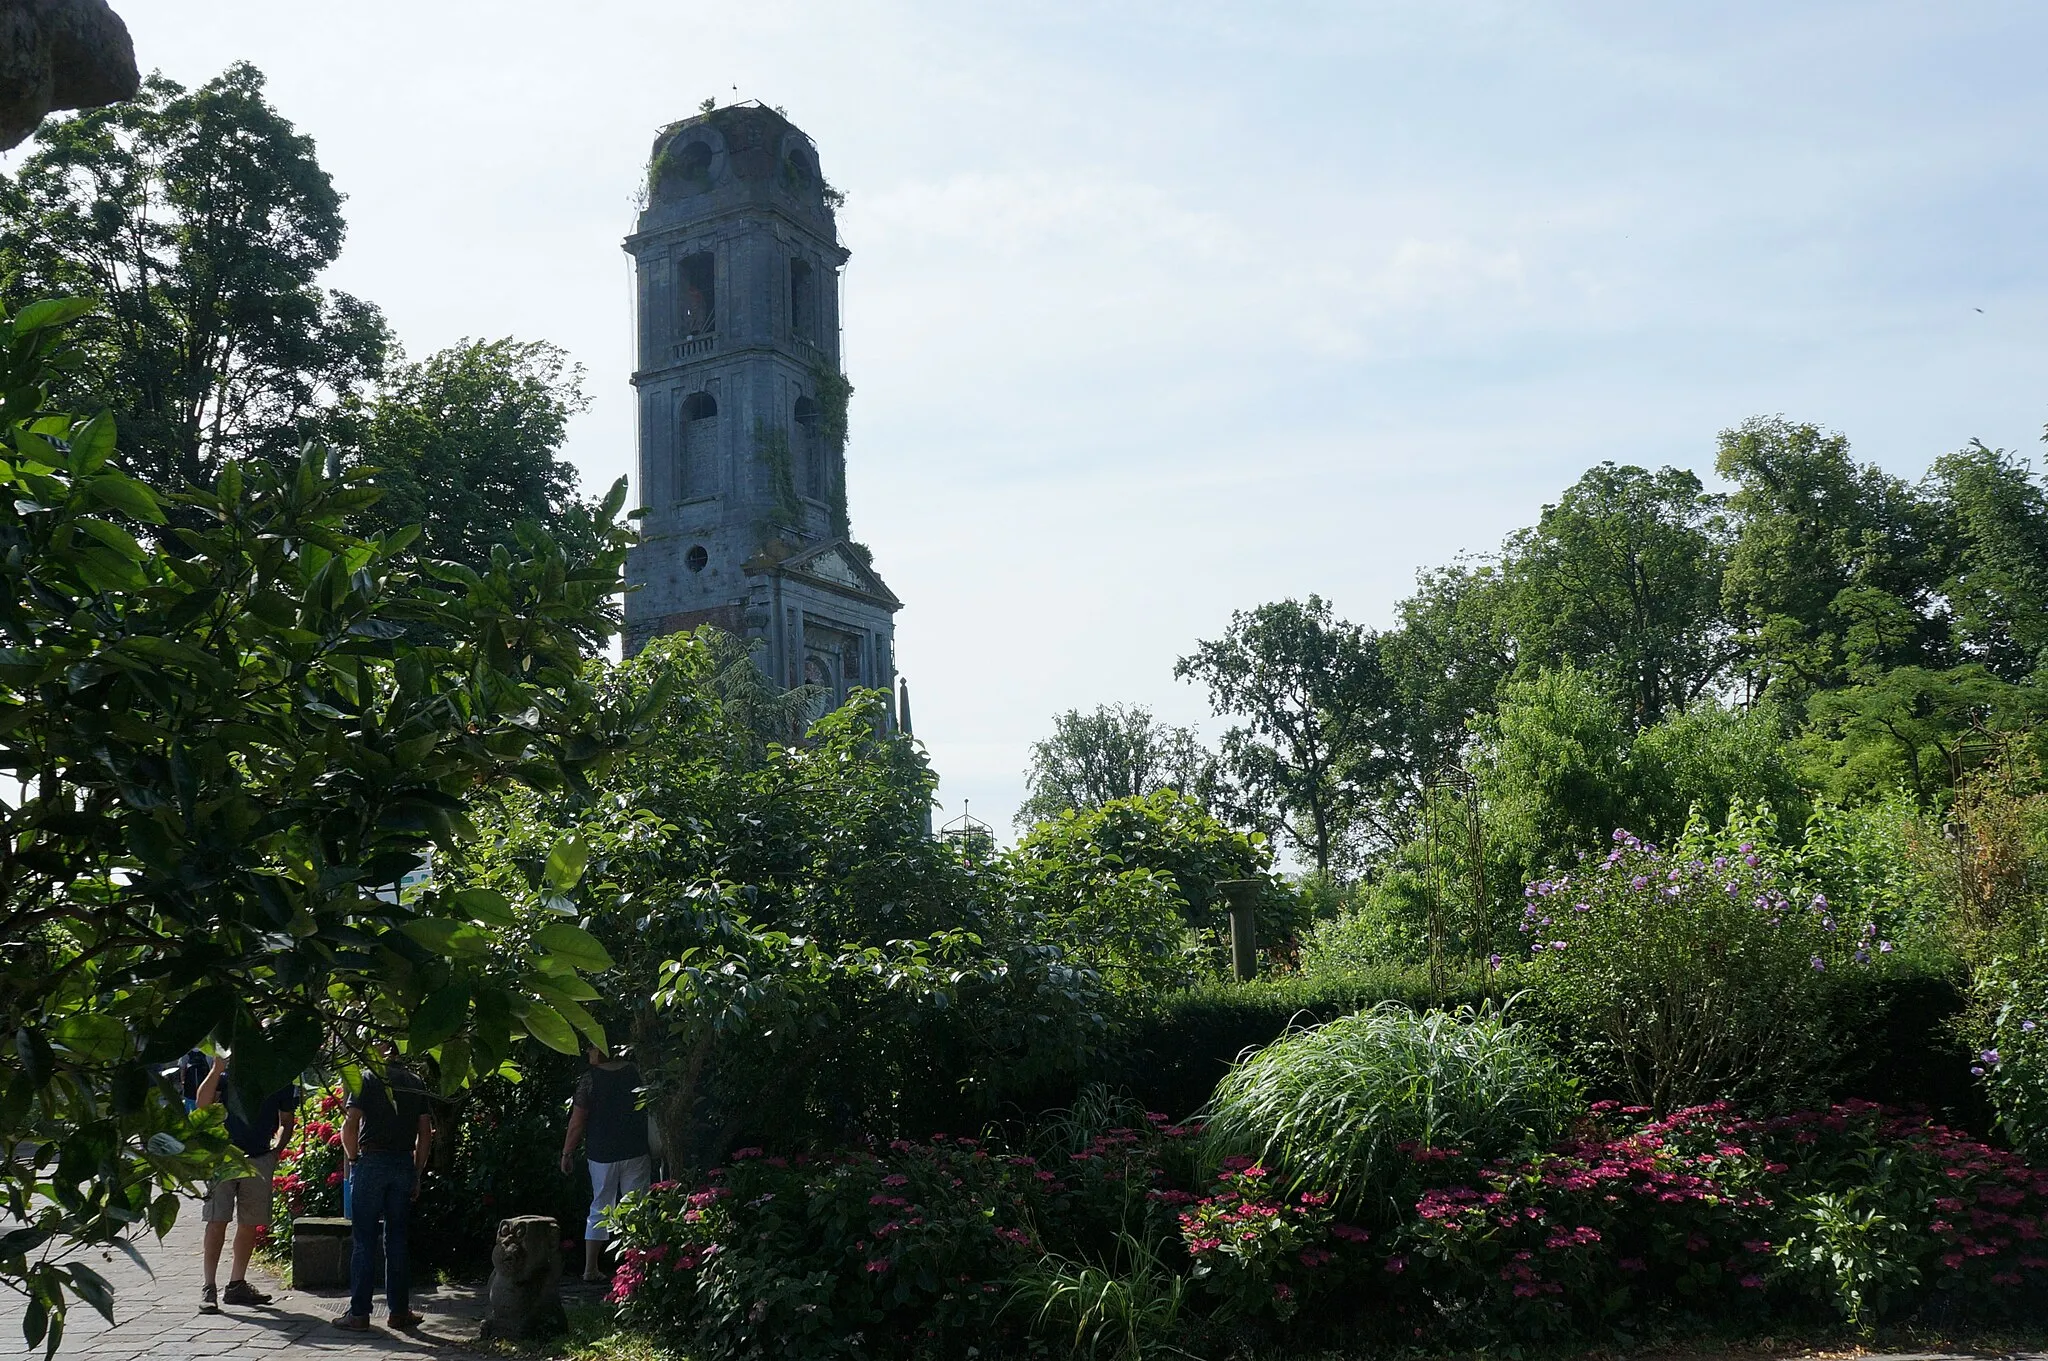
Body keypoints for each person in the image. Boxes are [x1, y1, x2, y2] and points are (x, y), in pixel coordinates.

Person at [334, 1057, 433, 1332]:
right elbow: (425, 1133)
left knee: (364, 1241)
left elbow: (350, 1123)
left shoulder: (366, 1078)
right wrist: (417, 1171)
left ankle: (359, 1314)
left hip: (371, 1161)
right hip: (402, 1163)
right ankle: (399, 1312)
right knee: (397, 1241)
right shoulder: (416, 1083)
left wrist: (354, 1159)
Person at [194, 1052, 297, 1314]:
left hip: (260, 1157)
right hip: (224, 1156)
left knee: (249, 1224)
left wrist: (277, 1151)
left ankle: (236, 1284)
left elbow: (287, 1121)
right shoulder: (228, 1077)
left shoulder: (279, 1079)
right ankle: (209, 1287)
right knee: (217, 1220)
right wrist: (216, 1070)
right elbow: (202, 1106)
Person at [559, 1044, 650, 1282]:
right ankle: (636, 1267)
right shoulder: (634, 1072)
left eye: (590, 1049)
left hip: (601, 1153)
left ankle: (591, 1268)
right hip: (635, 1150)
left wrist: (567, 1153)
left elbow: (577, 1121)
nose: (588, 1053)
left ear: (600, 1051)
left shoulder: (590, 1079)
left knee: (600, 1205)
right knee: (636, 1206)